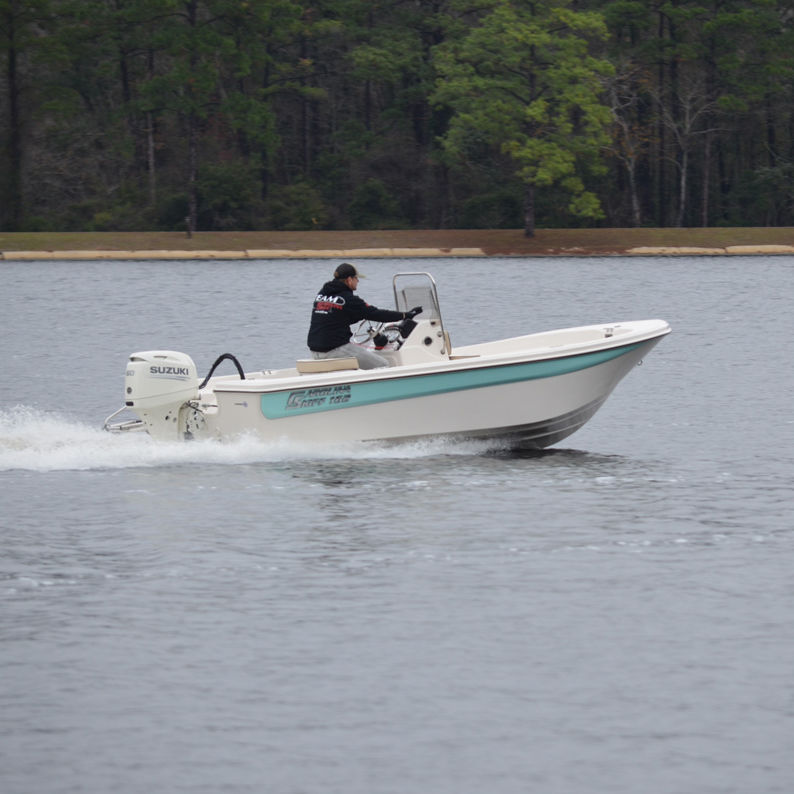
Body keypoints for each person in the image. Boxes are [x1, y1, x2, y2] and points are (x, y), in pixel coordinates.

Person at [307, 263, 422, 369]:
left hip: (315, 351)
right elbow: (376, 314)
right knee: (383, 365)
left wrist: (361, 315)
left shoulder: (322, 294)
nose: (358, 281)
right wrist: (405, 315)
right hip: (335, 350)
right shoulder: (349, 299)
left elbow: (336, 317)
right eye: (356, 278)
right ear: (349, 280)